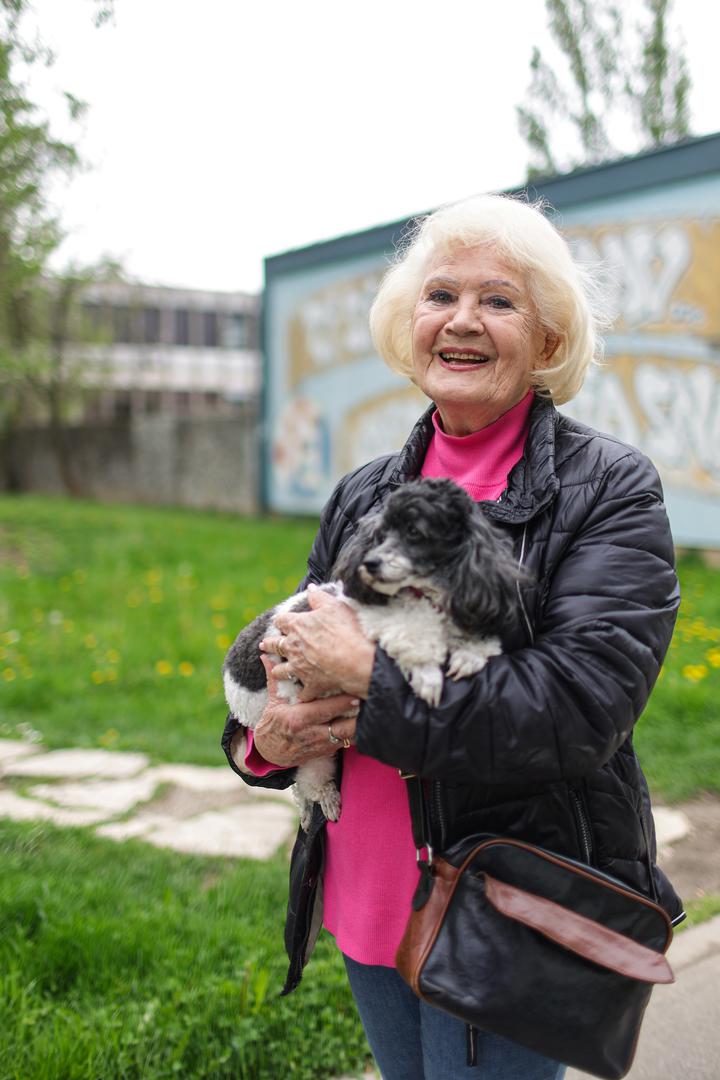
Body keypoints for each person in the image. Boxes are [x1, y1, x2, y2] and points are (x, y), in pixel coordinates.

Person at [221, 194, 683, 1080]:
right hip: (365, 890)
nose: (462, 320)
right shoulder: (364, 490)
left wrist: (370, 679)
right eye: (440, 296)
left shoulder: (610, 488)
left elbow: (578, 711)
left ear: (547, 340)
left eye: (498, 300)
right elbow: (293, 650)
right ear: (411, 323)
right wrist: (264, 746)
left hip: (504, 907)